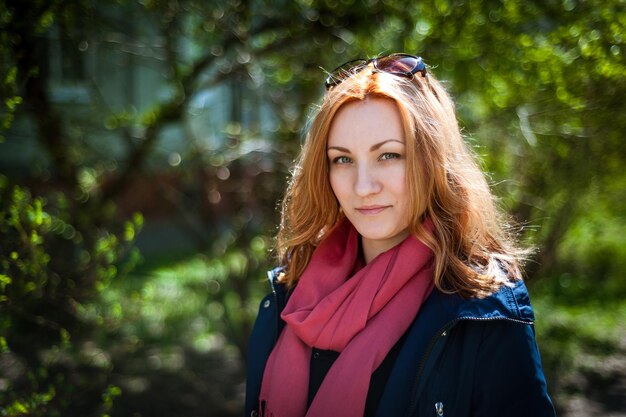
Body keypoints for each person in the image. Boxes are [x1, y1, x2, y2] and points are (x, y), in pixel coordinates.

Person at [245, 53, 556, 417]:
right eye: (342, 159)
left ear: (432, 160)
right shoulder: (291, 288)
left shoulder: (485, 309)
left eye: (389, 155)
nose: (363, 187)